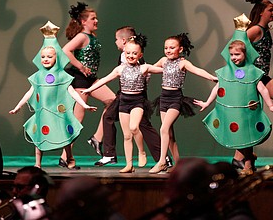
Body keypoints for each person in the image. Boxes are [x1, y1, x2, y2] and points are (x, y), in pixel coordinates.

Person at [9, 21, 96, 169]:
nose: (46, 59)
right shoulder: (37, 76)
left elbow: (72, 92)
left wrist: (84, 105)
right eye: (43, 57)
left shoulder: (62, 76)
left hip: (58, 112)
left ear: (57, 58)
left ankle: (69, 158)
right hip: (43, 113)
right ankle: (37, 163)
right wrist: (18, 106)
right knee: (39, 138)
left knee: (65, 135)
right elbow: (30, 92)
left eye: (49, 56)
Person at [194, 14, 273, 176]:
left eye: (238, 55)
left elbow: (263, 89)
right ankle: (246, 159)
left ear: (246, 54)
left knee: (247, 132)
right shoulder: (225, 72)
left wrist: (270, 104)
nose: (234, 58)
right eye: (232, 55)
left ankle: (248, 162)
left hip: (248, 111)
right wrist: (207, 103)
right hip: (231, 111)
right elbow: (217, 89)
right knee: (240, 135)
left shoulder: (253, 71)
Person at [82, 34, 163, 173]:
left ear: (140, 55)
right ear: (124, 53)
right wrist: (89, 89)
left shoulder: (144, 68)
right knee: (126, 135)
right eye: (128, 53)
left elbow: (163, 70)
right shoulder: (120, 69)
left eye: (134, 53)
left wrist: (177, 65)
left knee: (134, 127)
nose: (131, 56)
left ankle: (141, 151)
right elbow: (105, 80)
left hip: (138, 102)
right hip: (124, 103)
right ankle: (129, 164)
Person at [94, 26, 172, 169]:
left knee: (140, 126)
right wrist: (89, 89)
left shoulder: (135, 57)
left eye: (116, 40)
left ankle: (159, 156)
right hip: (124, 95)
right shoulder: (124, 56)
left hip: (137, 95)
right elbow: (109, 77)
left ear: (123, 41)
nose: (116, 42)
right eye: (128, 52)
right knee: (112, 119)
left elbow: (146, 72)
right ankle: (112, 155)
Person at [149, 33, 217, 174]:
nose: (168, 50)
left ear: (180, 49)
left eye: (172, 47)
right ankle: (178, 164)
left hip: (176, 99)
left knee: (163, 129)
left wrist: (212, 78)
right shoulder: (163, 61)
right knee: (170, 134)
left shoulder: (183, 63)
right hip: (163, 99)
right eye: (166, 47)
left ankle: (162, 162)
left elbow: (198, 71)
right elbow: (149, 69)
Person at [59, 2, 116, 167]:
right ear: (84, 22)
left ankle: (97, 138)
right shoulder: (82, 36)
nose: (96, 21)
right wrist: (81, 66)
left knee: (112, 100)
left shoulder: (91, 37)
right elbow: (65, 50)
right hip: (81, 79)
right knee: (78, 118)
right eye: (93, 18)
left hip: (92, 79)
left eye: (96, 18)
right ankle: (66, 156)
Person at [232, 0, 273, 170]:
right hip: (254, 77)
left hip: (261, 76)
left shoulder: (264, 30)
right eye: (271, 10)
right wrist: (240, 70)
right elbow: (235, 45)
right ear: (262, 12)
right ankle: (244, 157)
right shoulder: (255, 29)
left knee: (252, 116)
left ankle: (242, 158)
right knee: (250, 116)